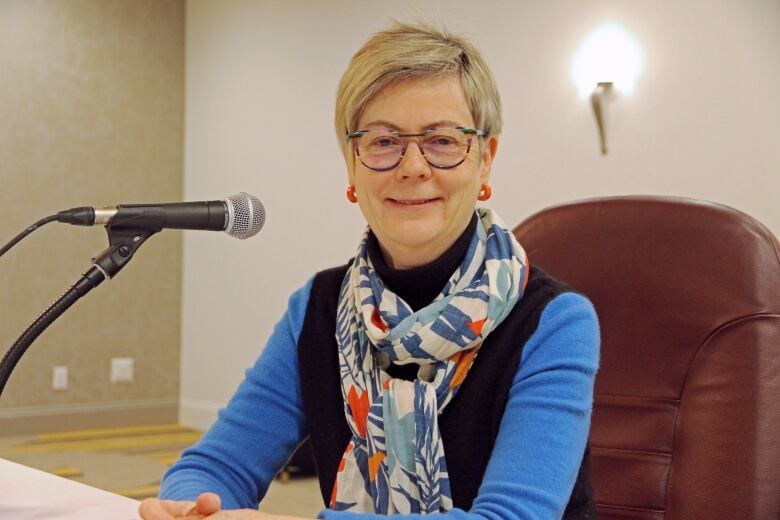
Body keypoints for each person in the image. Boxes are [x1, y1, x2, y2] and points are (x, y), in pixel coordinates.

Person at [140, 21, 599, 520]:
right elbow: (216, 466)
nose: (412, 166)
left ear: (484, 160)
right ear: (351, 166)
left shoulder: (555, 322)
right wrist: (192, 509)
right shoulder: (317, 307)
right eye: (382, 142)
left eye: (443, 140)